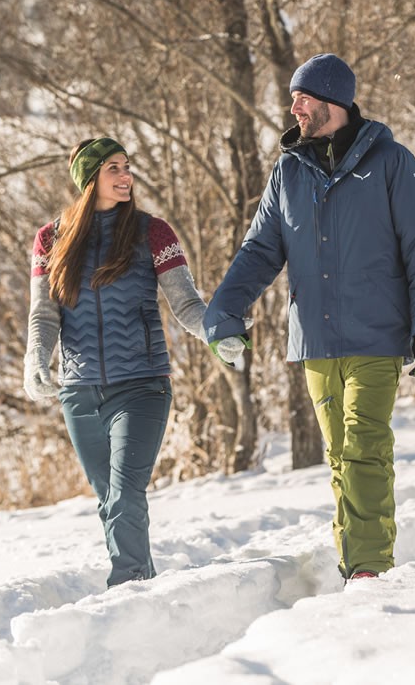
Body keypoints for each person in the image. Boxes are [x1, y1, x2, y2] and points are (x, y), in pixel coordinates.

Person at [203, 54, 415, 581]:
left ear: (332, 102)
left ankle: (368, 567)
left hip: (376, 335)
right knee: (339, 456)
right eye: (294, 97)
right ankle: (354, 558)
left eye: (303, 97)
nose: (294, 107)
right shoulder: (288, 171)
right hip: (314, 338)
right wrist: (224, 310)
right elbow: (259, 251)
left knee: (364, 447)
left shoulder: (390, 161)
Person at [23, 137, 247, 587]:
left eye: (127, 167)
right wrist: (35, 357)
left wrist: (216, 333)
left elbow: (186, 304)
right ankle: (141, 584)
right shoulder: (51, 239)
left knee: (125, 494)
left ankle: (125, 586)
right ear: (90, 179)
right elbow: (44, 312)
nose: (126, 177)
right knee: (108, 498)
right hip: (80, 391)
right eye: (113, 169)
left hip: (142, 385)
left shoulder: (152, 232)